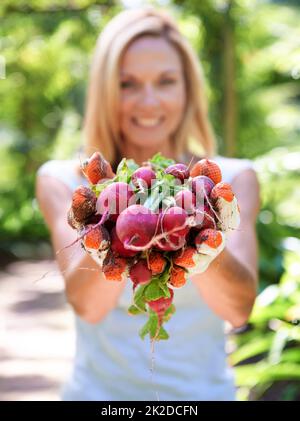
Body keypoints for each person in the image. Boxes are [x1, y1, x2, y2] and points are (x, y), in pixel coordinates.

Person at [36, 6, 260, 401]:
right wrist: (108, 226)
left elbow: (238, 310)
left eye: (166, 81)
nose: (149, 101)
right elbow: (87, 306)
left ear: (188, 88)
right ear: (104, 90)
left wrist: (204, 243)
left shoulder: (228, 180)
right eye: (127, 84)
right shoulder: (65, 181)